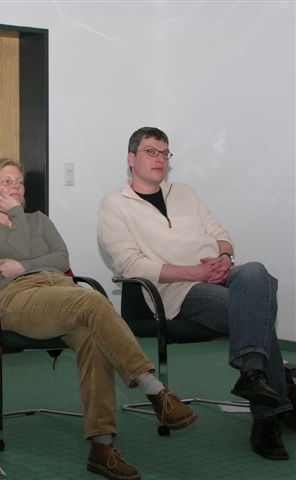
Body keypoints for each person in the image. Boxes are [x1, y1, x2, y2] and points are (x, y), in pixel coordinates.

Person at [0, 158, 197, 480]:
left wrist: (24, 265)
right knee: (91, 300)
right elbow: (16, 248)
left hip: (60, 290)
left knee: (94, 339)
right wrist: (17, 219)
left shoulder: (39, 219)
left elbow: (61, 260)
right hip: (16, 298)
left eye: (19, 181)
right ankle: (154, 389)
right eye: (6, 182)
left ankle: (102, 448)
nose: (15, 187)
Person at [98, 126, 296, 461]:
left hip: (218, 274)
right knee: (253, 310)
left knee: (256, 273)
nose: (159, 159)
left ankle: (253, 375)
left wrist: (224, 258)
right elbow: (130, 264)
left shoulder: (185, 193)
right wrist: (196, 273)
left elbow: (220, 233)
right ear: (131, 158)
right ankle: (267, 415)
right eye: (151, 152)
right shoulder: (115, 205)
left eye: (164, 153)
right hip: (175, 290)